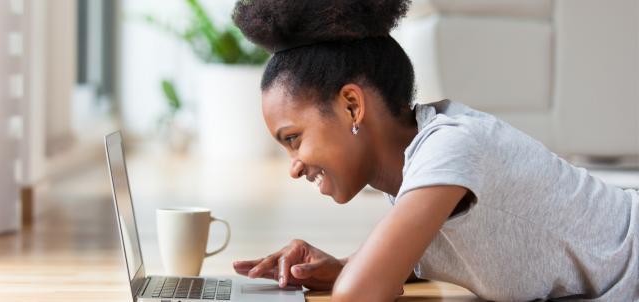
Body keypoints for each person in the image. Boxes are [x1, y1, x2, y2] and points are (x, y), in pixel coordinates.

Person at [229, 0, 639, 301]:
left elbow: (361, 295)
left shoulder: (449, 147)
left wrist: (357, 274)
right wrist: (341, 265)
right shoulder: (414, 165)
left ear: (352, 105)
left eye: (293, 138)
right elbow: (393, 272)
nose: (293, 168)